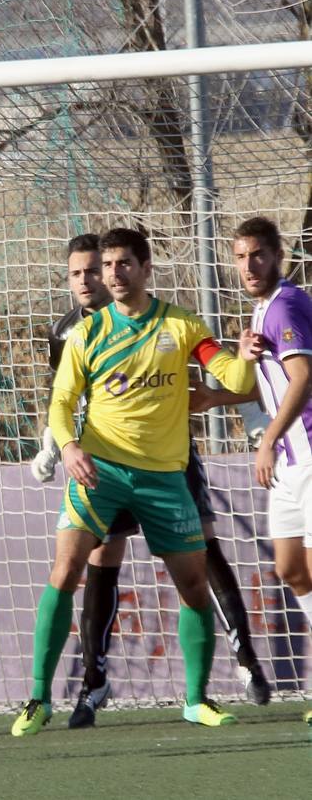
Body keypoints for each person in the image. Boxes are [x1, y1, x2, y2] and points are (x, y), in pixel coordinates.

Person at [12, 227, 257, 735]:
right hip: (101, 472)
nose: (114, 274)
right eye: (108, 266)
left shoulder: (182, 326)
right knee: (66, 569)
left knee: (193, 585)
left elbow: (234, 379)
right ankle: (38, 697)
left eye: (125, 264)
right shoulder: (85, 334)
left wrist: (246, 356)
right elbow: (59, 404)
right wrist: (70, 446)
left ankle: (195, 699)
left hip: (165, 479)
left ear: (146, 268)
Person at [232, 215, 312, 726]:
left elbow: (302, 376)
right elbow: (267, 383)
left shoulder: (286, 303)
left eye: (257, 254)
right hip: (288, 464)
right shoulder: (263, 312)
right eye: (240, 256)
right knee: (290, 569)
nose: (248, 265)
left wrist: (267, 438)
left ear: (277, 256)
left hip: (308, 455)